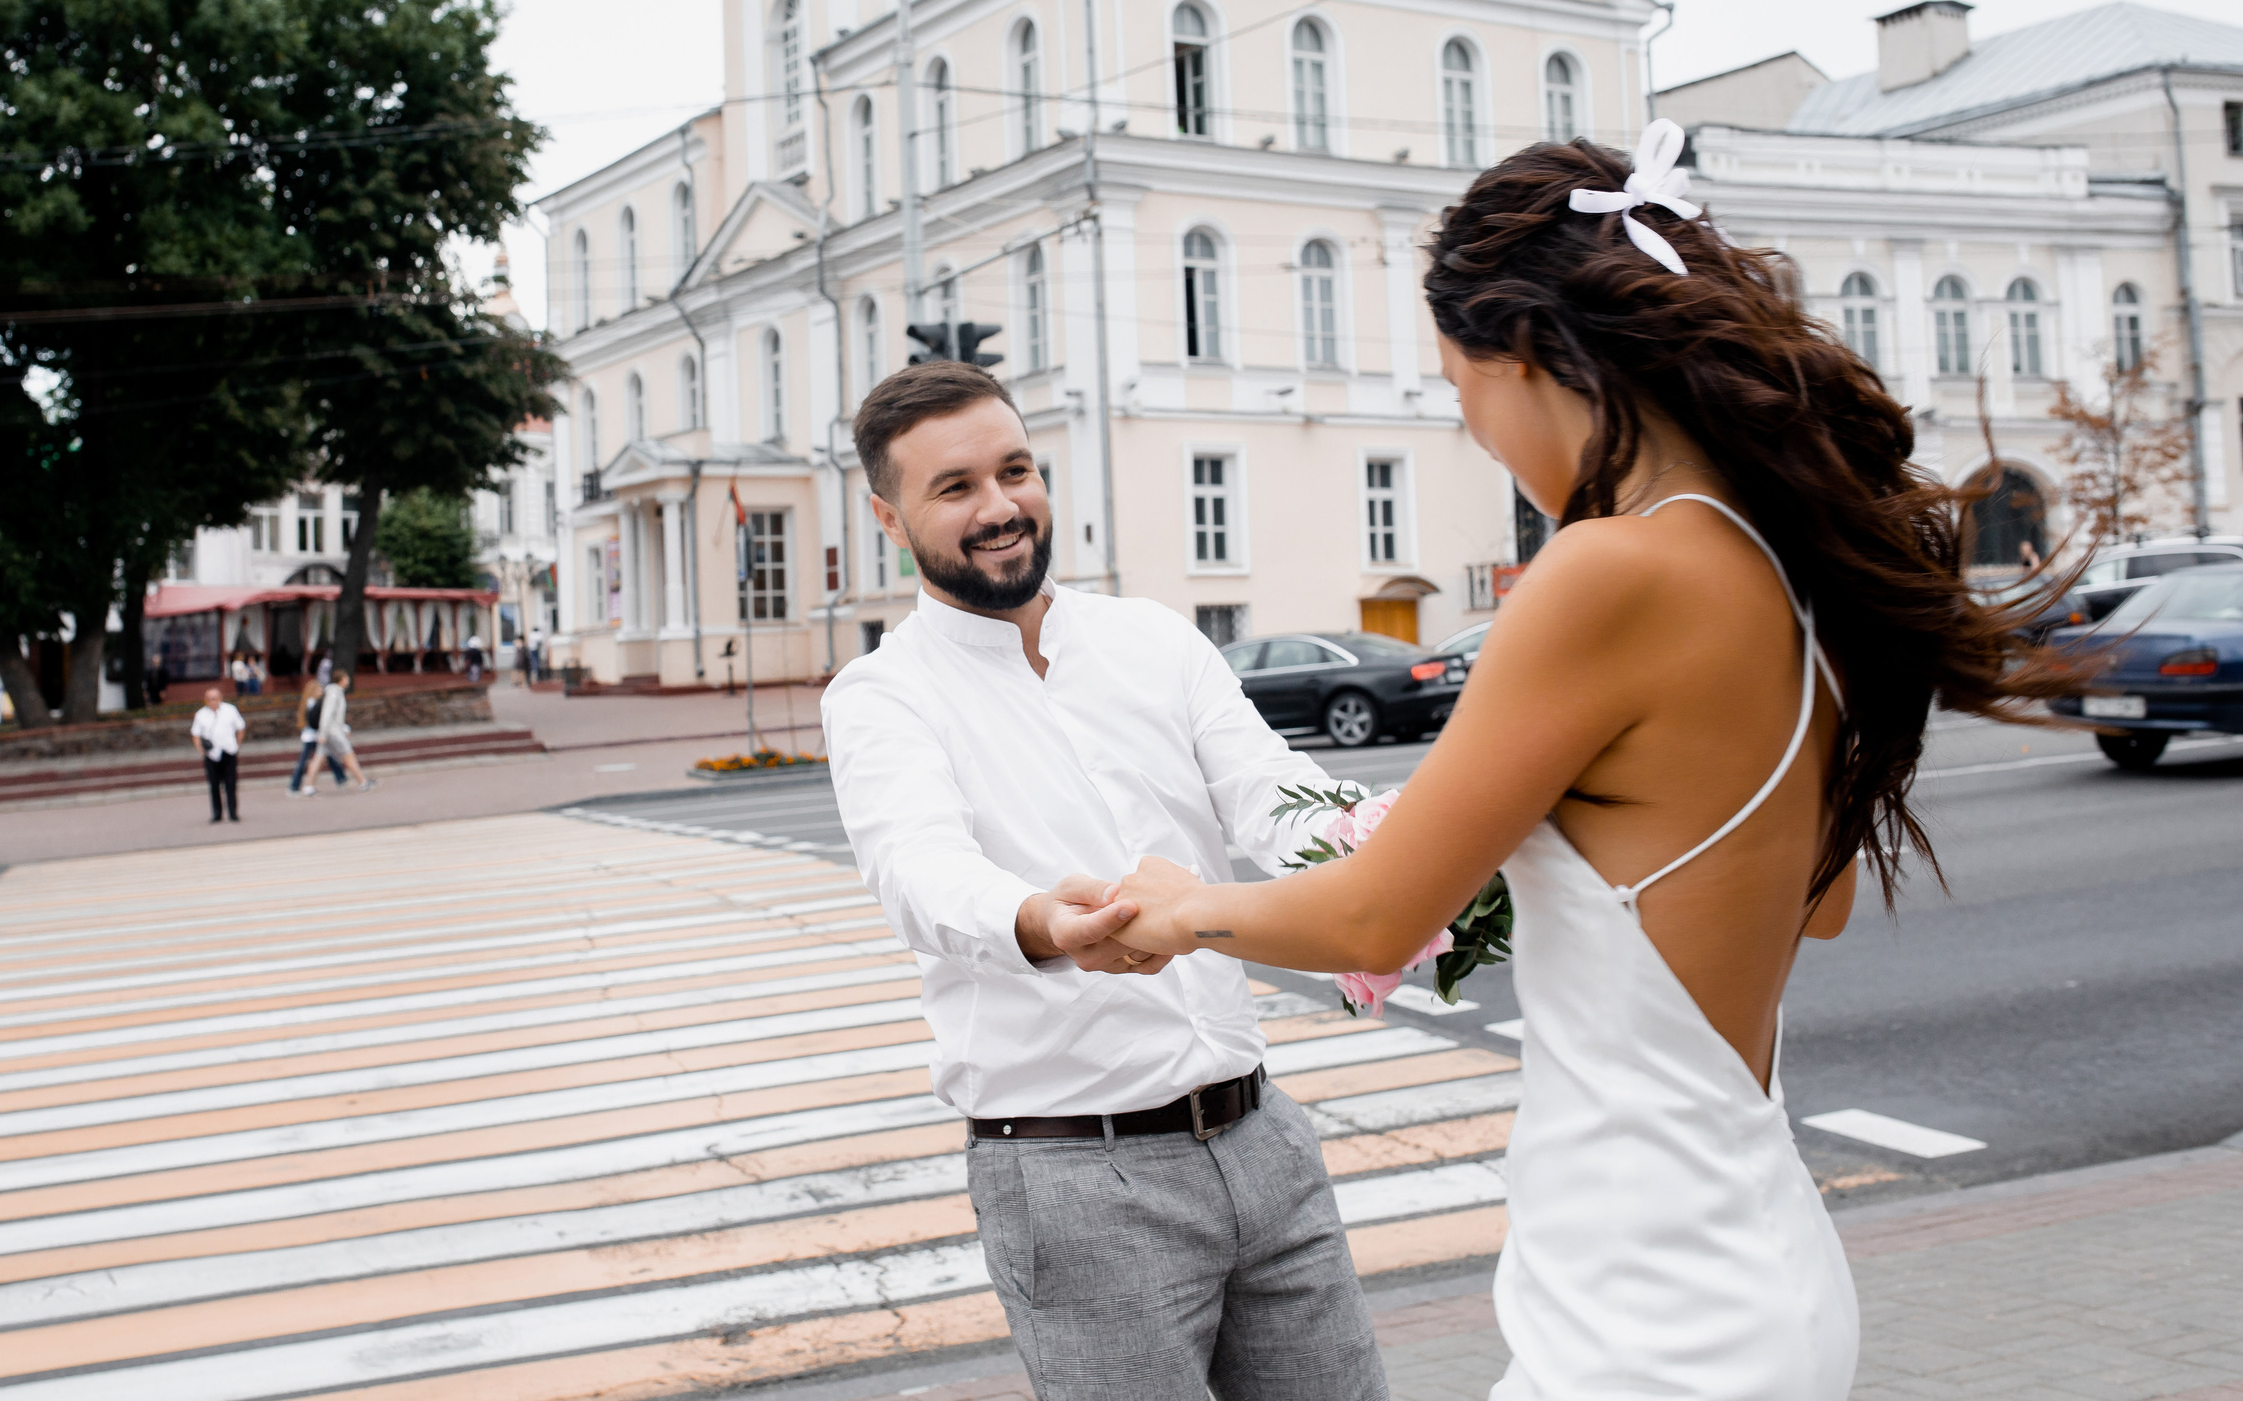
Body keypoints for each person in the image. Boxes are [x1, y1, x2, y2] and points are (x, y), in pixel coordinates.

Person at [1108, 123, 2078, 1401]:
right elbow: (1813, 901)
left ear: (1524, 356)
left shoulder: (1609, 567)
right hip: (1747, 1270)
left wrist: (1181, 909)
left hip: (1652, 1310)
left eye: (1463, 397)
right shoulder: (1780, 572)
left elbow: (1377, 910)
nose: (1481, 440)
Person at [820, 362, 1388, 1401]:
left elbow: (1273, 792)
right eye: (954, 488)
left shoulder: (1153, 640)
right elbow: (919, 871)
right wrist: (1039, 920)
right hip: (1075, 1180)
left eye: (1016, 470)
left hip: (1263, 1141)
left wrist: (1392, 849)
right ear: (888, 518)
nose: (1000, 508)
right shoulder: (881, 695)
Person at [190, 686, 246, 824]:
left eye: (214, 698)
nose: (212, 701)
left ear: (220, 698)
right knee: (214, 785)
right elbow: (195, 733)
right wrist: (200, 749)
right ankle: (217, 813)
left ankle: (233, 812)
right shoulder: (201, 715)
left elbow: (240, 727)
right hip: (211, 754)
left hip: (228, 751)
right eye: (209, 699)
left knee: (231, 783)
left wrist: (237, 744)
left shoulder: (230, 710)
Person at [318, 668, 374, 792]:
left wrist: (343, 728)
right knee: (348, 755)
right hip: (332, 732)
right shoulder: (333, 693)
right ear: (342, 679)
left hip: (333, 730)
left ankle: (307, 786)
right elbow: (327, 714)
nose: (348, 680)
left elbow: (337, 716)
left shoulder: (337, 692)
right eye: (347, 678)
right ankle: (363, 782)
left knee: (319, 758)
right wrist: (323, 733)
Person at [287, 676, 344, 795]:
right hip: (314, 736)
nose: (321, 692)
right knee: (307, 761)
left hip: (311, 735)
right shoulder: (313, 704)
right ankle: (295, 785)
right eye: (318, 690)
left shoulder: (308, 703)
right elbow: (316, 721)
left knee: (327, 757)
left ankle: (341, 777)